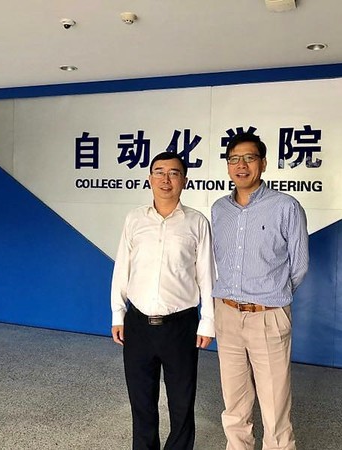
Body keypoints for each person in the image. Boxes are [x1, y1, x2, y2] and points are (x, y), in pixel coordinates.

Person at [111, 151, 215, 450]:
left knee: (182, 401)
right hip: (138, 323)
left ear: (185, 180)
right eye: (159, 172)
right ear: (149, 178)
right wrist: (118, 314)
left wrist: (208, 321)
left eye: (173, 173)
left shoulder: (197, 222)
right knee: (141, 400)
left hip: (180, 325)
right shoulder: (135, 219)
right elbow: (122, 268)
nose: (165, 179)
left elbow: (207, 275)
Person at [211, 132, 309, 450]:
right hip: (226, 314)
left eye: (249, 158)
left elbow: (299, 265)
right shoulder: (219, 209)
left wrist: (272, 297)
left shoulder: (285, 207)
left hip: (268, 316)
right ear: (228, 166)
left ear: (263, 163)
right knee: (234, 402)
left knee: (275, 405)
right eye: (234, 159)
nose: (241, 165)